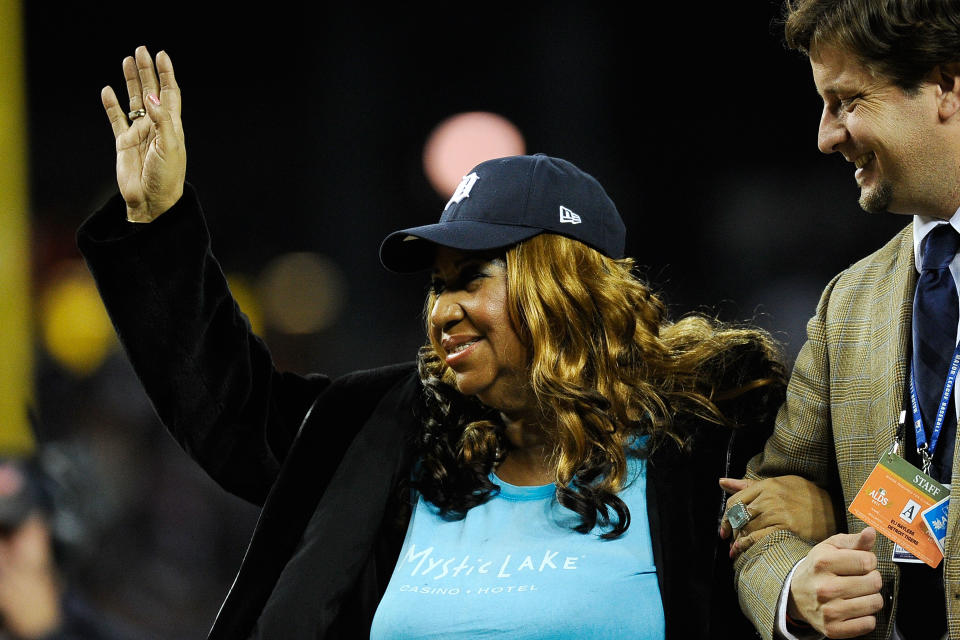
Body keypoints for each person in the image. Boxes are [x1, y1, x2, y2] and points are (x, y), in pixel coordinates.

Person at [77, 46, 832, 639]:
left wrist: (827, 511)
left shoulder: (714, 443)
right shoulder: (386, 436)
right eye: (438, 285)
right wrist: (161, 223)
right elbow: (234, 409)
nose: (443, 309)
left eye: (472, 278)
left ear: (564, 286)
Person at [727, 1, 960, 639]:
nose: (826, 136)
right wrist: (794, 589)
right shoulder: (849, 303)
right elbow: (759, 507)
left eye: (848, 101)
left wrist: (835, 509)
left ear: (945, 87)